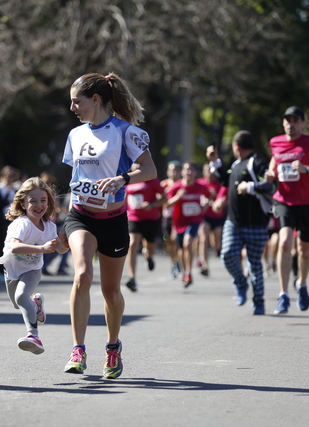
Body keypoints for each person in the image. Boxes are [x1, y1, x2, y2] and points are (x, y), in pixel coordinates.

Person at [61, 72, 156, 379]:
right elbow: (75, 178)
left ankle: (113, 347)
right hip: (80, 216)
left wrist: (122, 179)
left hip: (113, 220)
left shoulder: (125, 131)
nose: (73, 108)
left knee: (111, 291)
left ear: (96, 99)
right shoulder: (75, 135)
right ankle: (77, 349)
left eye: (77, 101)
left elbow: (150, 170)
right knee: (82, 274)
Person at [265, 106, 309, 314]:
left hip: (308, 203)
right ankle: (283, 295)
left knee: (304, 249)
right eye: (287, 120)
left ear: (302, 123)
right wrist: (269, 174)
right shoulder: (276, 142)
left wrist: (307, 170)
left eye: (295, 120)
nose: (290, 124)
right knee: (284, 242)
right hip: (284, 201)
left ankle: (302, 285)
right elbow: (273, 164)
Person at [0, 177, 68, 354]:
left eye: (43, 200)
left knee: (21, 297)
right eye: (33, 201)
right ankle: (36, 305)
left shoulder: (49, 227)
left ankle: (33, 335)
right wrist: (42, 248)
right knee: (18, 303)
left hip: (33, 270)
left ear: (49, 203)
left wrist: (66, 241)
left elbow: (61, 250)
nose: (38, 205)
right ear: (23, 203)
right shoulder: (21, 224)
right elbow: (15, 247)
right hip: (12, 270)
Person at [209, 131, 275, 315]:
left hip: (256, 224)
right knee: (227, 254)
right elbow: (226, 181)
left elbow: (271, 185)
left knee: (254, 265)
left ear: (236, 147)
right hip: (234, 222)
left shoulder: (257, 162)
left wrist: (250, 187)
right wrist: (215, 162)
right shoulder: (237, 164)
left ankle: (259, 302)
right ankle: (240, 282)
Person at [166, 162, 211, 288]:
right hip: (179, 222)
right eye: (187, 170)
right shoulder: (176, 186)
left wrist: (205, 205)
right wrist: (178, 197)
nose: (189, 172)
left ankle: (189, 273)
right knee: (181, 249)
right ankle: (184, 271)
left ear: (196, 173)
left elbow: (209, 196)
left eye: (191, 170)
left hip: (195, 220)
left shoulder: (200, 186)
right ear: (182, 172)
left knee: (188, 242)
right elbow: (167, 204)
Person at [124, 164, 166, 292]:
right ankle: (132, 278)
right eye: (133, 162)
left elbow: (165, 198)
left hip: (150, 218)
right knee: (132, 244)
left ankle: (149, 256)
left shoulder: (152, 180)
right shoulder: (127, 180)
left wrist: (152, 204)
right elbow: (124, 199)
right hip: (133, 218)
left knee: (150, 246)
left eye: (138, 162)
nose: (135, 165)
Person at [197, 161, 228, 276]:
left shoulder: (219, 184)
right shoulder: (199, 183)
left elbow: (225, 199)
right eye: (207, 171)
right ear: (204, 172)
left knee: (217, 242)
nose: (209, 173)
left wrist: (217, 199)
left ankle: (217, 249)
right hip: (204, 216)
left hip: (217, 216)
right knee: (203, 238)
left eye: (211, 171)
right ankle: (205, 265)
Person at [161, 161, 182, 278]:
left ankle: (177, 262)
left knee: (175, 239)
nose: (174, 173)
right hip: (167, 217)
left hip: (179, 217)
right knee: (168, 241)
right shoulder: (163, 184)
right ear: (168, 172)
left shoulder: (182, 184)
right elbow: (158, 198)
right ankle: (173, 262)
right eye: (172, 170)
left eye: (176, 170)